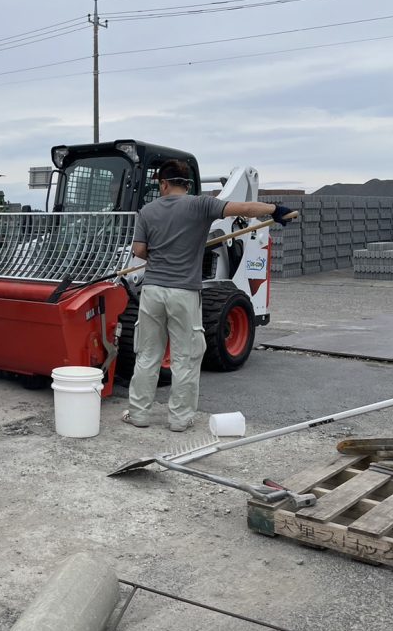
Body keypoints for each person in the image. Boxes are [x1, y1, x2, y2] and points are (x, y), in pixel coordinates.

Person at [124, 159, 293, 432]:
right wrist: (275, 210)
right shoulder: (201, 205)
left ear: (163, 184)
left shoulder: (147, 210)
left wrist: (161, 253)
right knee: (186, 357)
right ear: (187, 184)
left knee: (147, 355)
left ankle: (139, 414)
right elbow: (245, 208)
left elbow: (140, 251)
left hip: (152, 290)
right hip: (184, 292)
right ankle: (179, 420)